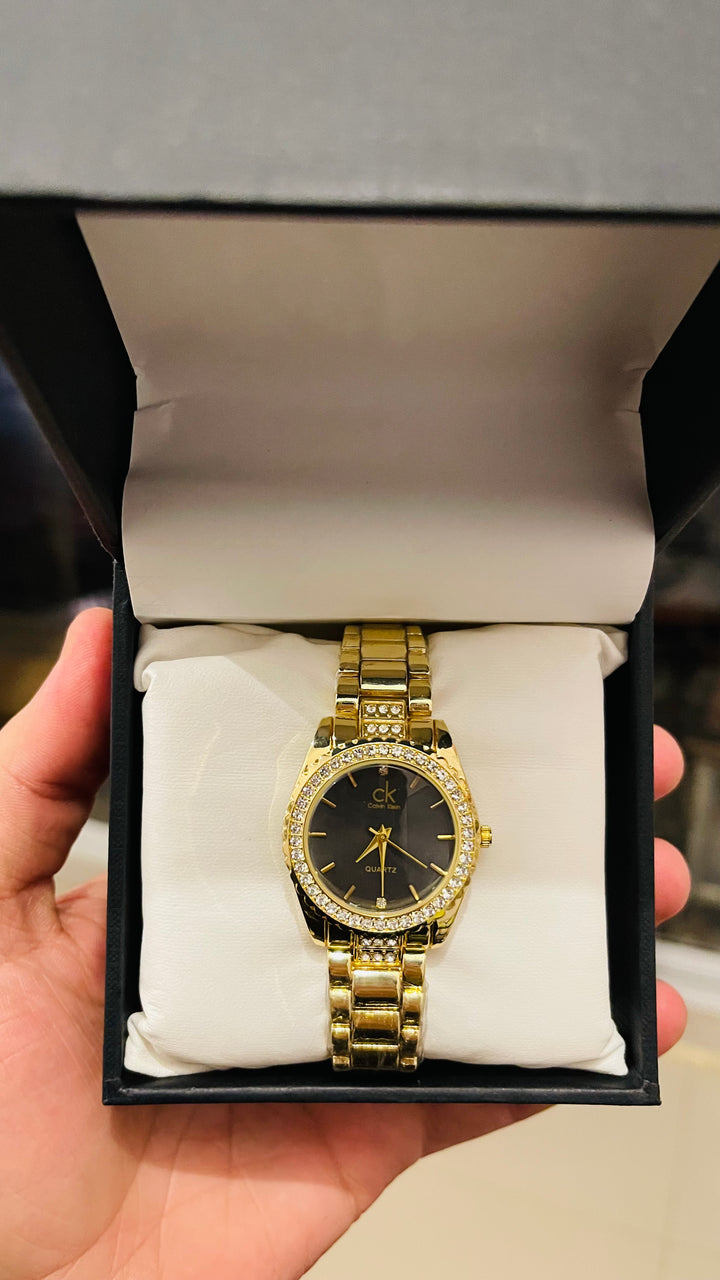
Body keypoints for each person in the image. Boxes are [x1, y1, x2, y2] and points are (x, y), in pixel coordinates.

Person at [0, 609, 691, 1280]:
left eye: (398, 831)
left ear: (472, 838)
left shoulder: (410, 783)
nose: (384, 835)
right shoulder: (349, 776)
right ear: (298, 833)